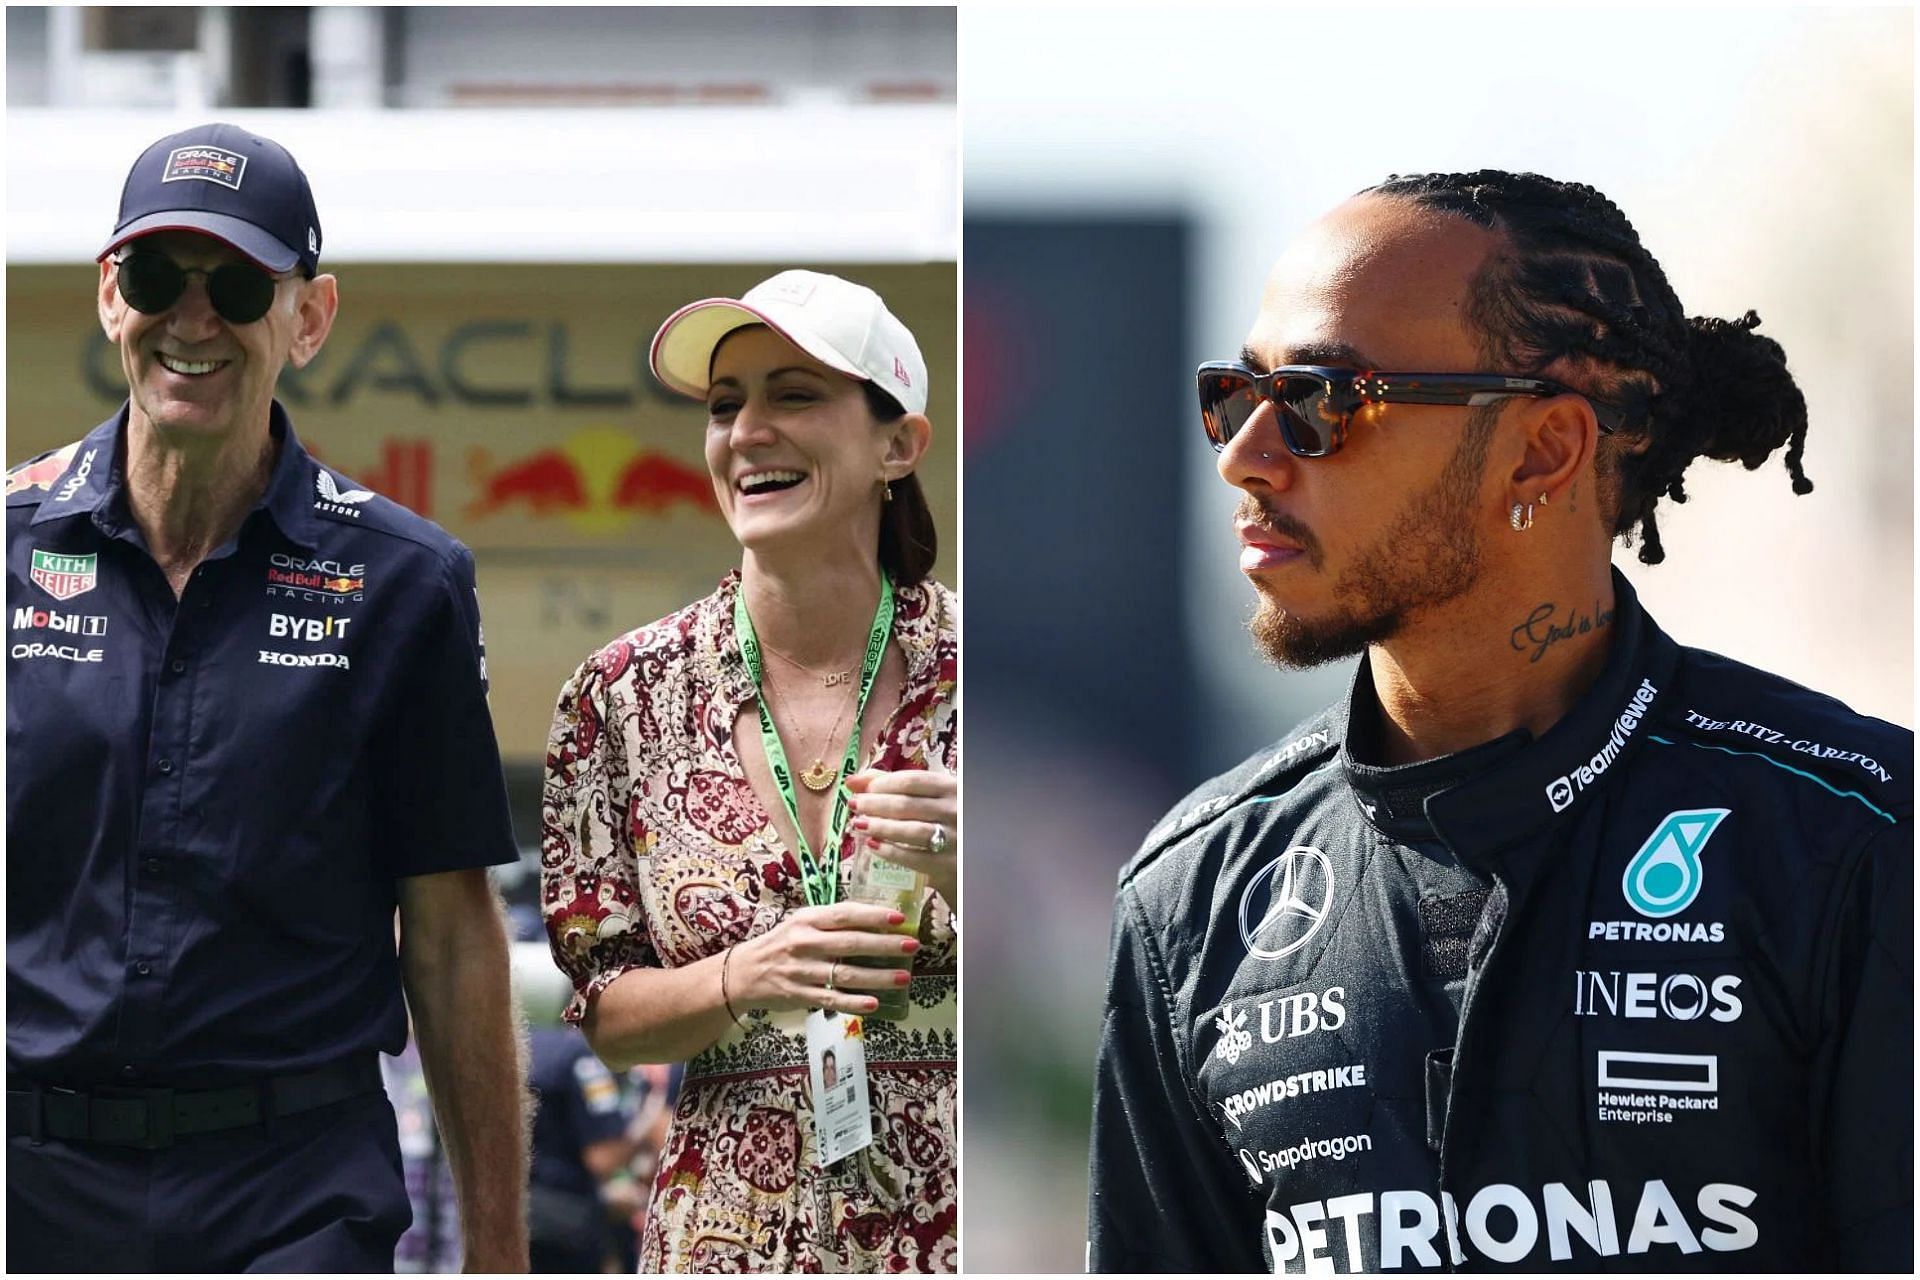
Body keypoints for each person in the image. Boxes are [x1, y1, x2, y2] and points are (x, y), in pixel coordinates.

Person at [1087, 171, 1911, 1273]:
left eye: (1328, 397)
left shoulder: (1855, 837)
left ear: (1545, 450)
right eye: (1237, 393)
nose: (1245, 453)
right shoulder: (1194, 895)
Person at [6, 122, 529, 1272]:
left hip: (287, 1191)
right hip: (29, 1185)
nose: (193, 321)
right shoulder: (7, 544)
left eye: (238, 283)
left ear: (308, 316)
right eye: (157, 276)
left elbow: (449, 939)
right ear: (110, 295)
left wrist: (498, 1253)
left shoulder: (405, 582)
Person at [542, 269, 958, 1272]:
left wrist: (968, 865)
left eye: (796, 394)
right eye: (727, 407)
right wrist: (745, 973)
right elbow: (604, 1011)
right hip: (723, 1231)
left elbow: (1108, 970)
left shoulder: (988, 669)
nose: (747, 431)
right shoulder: (618, 694)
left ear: (897, 444)